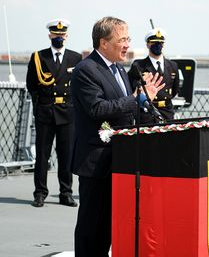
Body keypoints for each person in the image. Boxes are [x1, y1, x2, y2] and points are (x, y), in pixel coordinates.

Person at [70, 16, 164, 257]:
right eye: (122, 40)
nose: (127, 45)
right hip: (96, 161)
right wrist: (136, 100)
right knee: (91, 227)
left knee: (108, 227)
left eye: (128, 39)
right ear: (103, 43)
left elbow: (125, 111)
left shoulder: (119, 70)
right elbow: (97, 109)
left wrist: (144, 102)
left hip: (120, 160)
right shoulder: (85, 70)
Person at [26, 19, 82, 208]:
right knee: (42, 155)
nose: (59, 37)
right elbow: (31, 85)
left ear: (66, 36)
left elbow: (79, 86)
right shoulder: (39, 57)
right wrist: (40, 105)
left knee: (66, 155)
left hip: (67, 112)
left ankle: (66, 193)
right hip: (46, 112)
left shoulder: (76, 58)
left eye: (62, 34)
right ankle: (40, 193)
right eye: (55, 34)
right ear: (50, 35)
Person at [127, 27, 179, 124]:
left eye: (160, 43)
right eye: (154, 42)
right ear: (148, 44)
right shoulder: (138, 66)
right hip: (146, 113)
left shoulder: (173, 66)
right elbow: (130, 88)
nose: (158, 45)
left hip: (167, 112)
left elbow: (175, 89)